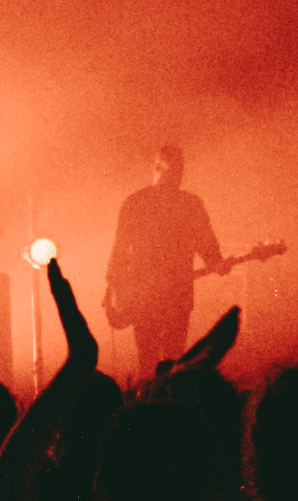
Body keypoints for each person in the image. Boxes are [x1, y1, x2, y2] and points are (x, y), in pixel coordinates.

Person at [102, 143, 257, 366]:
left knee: (160, 357)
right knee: (161, 358)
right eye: (172, 170)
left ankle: (151, 397)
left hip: (162, 295)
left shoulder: (142, 203)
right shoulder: (173, 204)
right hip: (161, 295)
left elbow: (208, 248)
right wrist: (115, 287)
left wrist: (217, 262)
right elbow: (120, 250)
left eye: (179, 170)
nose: (177, 176)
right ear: (157, 167)